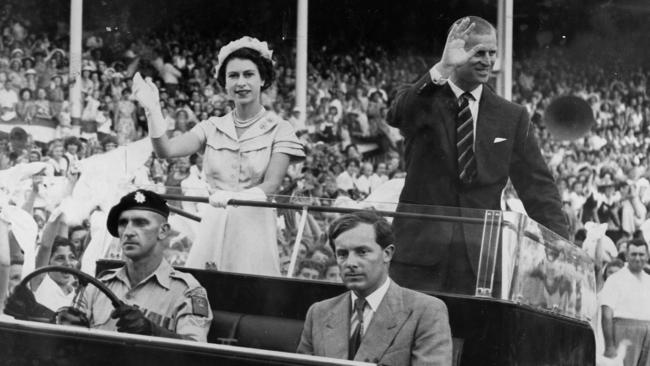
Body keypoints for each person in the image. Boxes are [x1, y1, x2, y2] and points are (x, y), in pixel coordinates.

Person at [386, 16, 569, 294]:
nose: (487, 60)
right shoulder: (424, 97)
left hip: (479, 261)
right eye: (478, 53)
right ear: (457, 52)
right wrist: (443, 68)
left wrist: (560, 245)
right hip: (417, 257)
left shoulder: (512, 116)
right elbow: (399, 115)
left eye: (492, 53)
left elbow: (537, 187)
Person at [133, 36, 304, 276]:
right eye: (233, 76)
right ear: (224, 82)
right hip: (215, 223)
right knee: (204, 293)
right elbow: (166, 151)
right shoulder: (211, 126)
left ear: (263, 79)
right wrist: (152, 110)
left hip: (255, 227)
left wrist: (234, 198)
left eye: (248, 74)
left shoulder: (280, 128)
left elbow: (272, 184)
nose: (241, 82)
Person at [297, 211, 452, 365]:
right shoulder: (318, 313)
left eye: (362, 252)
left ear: (387, 254)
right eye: (342, 254)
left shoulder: (426, 312)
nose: (350, 263)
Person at [59, 190, 213, 341]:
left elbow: (196, 352)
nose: (128, 232)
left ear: (163, 231)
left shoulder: (186, 291)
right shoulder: (98, 286)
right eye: (123, 223)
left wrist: (152, 331)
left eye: (140, 223)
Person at [600, 239, 650, 365]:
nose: (638, 258)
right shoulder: (615, 279)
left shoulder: (649, 280)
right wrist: (609, 346)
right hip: (625, 332)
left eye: (641, 254)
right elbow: (606, 314)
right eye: (633, 254)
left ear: (647, 256)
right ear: (627, 255)